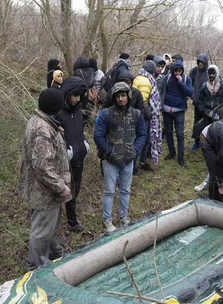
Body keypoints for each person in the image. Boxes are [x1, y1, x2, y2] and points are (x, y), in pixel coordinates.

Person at [19, 89, 72, 270]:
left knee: (50, 228)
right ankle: (35, 269)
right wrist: (60, 187)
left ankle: (54, 256)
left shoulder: (43, 122)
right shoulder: (43, 130)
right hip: (45, 191)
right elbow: (42, 166)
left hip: (45, 191)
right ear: (56, 107)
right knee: (41, 232)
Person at [94, 82, 147, 233]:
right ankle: (107, 219)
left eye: (123, 95)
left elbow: (143, 134)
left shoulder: (136, 114)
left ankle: (124, 217)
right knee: (109, 190)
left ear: (128, 96)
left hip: (128, 160)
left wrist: (135, 150)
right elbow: (98, 136)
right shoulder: (106, 114)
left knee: (125, 190)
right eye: (118, 96)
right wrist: (108, 152)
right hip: (111, 160)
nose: (121, 99)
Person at [57, 76, 89, 233]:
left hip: (78, 158)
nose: (77, 99)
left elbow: (79, 131)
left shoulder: (77, 111)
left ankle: (72, 222)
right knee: (61, 193)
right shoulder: (58, 113)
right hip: (65, 161)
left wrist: (85, 143)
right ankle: (55, 228)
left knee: (75, 191)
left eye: (79, 95)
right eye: (75, 95)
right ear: (67, 93)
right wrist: (66, 152)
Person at [193, 65, 223, 193]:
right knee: (207, 136)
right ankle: (209, 154)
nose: (212, 75)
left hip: (220, 117)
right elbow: (199, 102)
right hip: (207, 115)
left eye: (213, 73)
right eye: (210, 73)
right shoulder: (204, 86)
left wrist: (221, 112)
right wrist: (207, 112)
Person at [158, 59, 193, 168]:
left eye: (180, 70)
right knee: (168, 132)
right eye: (176, 70)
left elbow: (190, 93)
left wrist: (181, 82)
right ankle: (171, 152)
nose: (178, 72)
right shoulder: (167, 78)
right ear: (173, 70)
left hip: (179, 110)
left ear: (182, 70)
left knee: (180, 134)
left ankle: (180, 157)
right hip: (167, 110)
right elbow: (161, 91)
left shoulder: (187, 79)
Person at [133, 60, 162, 171]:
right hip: (143, 116)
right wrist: (149, 113)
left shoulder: (138, 77)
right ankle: (137, 165)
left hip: (137, 113)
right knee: (142, 139)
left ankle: (139, 163)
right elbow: (143, 100)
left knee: (139, 139)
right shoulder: (146, 81)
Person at [189, 53, 210, 150]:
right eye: (199, 61)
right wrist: (193, 95)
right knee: (197, 123)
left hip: (207, 105)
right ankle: (196, 142)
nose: (200, 63)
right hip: (197, 103)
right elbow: (189, 84)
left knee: (207, 124)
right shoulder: (194, 71)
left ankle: (207, 143)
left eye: (202, 61)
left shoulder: (210, 72)